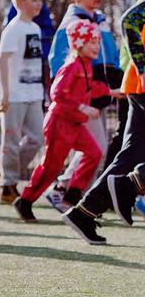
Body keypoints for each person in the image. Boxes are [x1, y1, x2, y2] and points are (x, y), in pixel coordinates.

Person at [62, 0, 145, 242]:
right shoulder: (137, 14)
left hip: (136, 88)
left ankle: (85, 212)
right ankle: (132, 182)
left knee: (130, 154)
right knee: (131, 157)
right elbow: (129, 19)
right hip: (141, 86)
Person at [14, 19, 123, 222]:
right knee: (51, 168)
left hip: (74, 123)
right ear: (79, 44)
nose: (96, 47)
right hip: (59, 124)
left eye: (97, 42)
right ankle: (25, 201)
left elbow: (91, 87)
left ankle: (72, 195)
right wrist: (83, 107)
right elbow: (57, 94)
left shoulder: (87, 65)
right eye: (92, 42)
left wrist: (112, 92)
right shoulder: (72, 66)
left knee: (94, 152)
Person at [45, 0, 121, 207]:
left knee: (95, 146)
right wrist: (76, 95)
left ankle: (64, 188)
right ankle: (65, 191)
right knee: (95, 146)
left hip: (99, 89)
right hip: (83, 95)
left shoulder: (99, 19)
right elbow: (58, 61)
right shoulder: (72, 22)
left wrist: (114, 78)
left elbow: (110, 53)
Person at [0, 0, 46, 204]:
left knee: (37, 138)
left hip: (33, 93)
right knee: (11, 140)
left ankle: (7, 174)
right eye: (33, 0)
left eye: (40, 0)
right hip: (13, 94)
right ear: (21, 3)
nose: (38, 4)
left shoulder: (35, 28)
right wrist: (4, 94)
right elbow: (3, 61)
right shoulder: (13, 29)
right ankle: (8, 187)